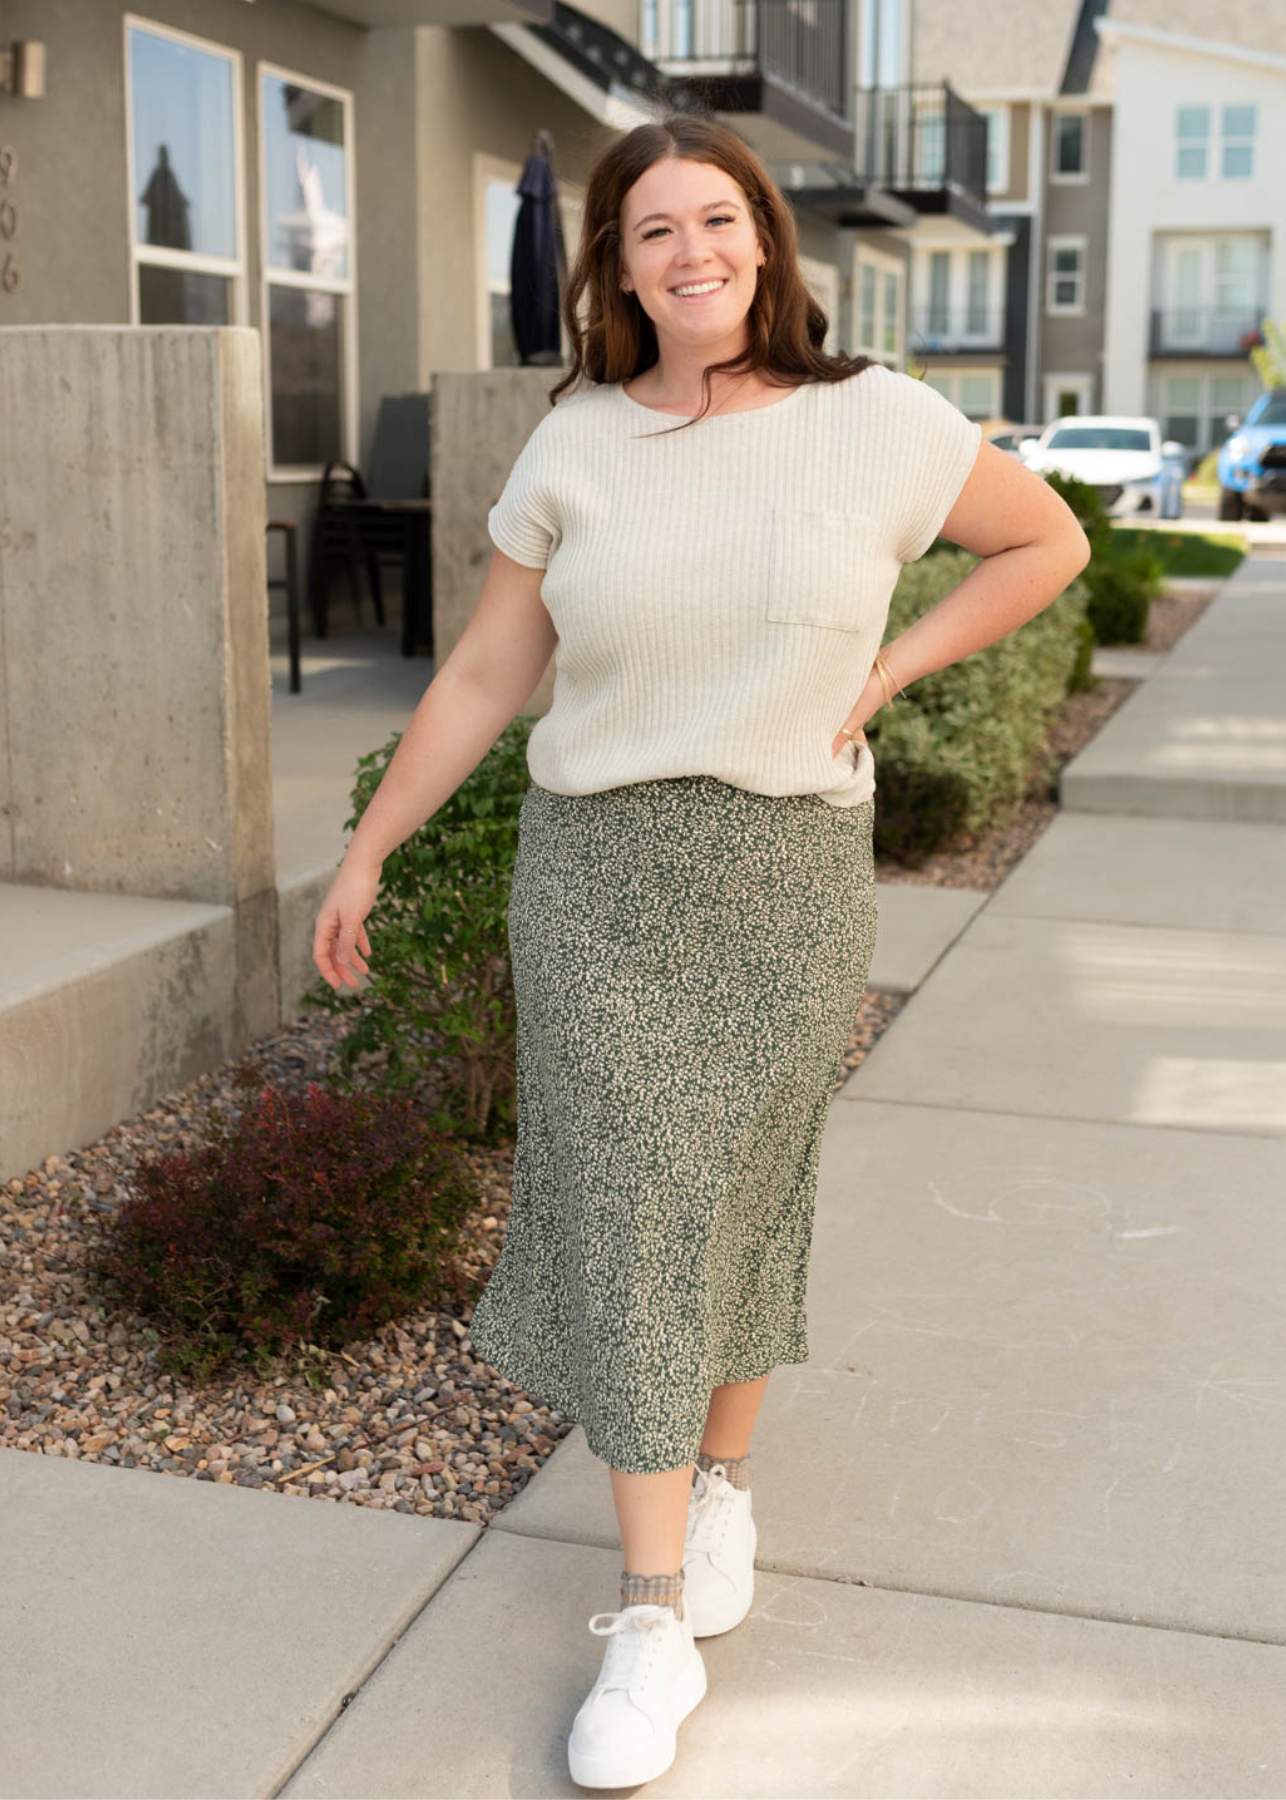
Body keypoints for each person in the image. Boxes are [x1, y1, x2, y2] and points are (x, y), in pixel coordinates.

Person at [313, 112, 1090, 1791]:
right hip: (596, 873)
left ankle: (721, 1490)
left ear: (765, 241)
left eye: (718, 220)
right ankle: (650, 1614)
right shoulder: (576, 445)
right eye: (653, 229)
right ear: (615, 264)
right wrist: (369, 849)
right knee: (638, 1198)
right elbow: (474, 682)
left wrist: (883, 677)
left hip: (785, 873)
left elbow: (1045, 544)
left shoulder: (873, 421)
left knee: (738, 1186)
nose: (692, 252)